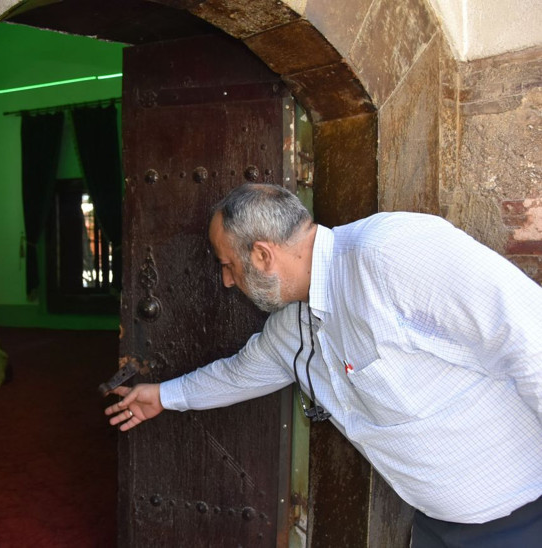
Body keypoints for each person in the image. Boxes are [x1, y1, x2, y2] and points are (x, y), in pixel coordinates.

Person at [104, 183, 542, 547]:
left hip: (522, 516)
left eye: (228, 265)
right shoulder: (292, 326)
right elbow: (238, 374)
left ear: (262, 255)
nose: (226, 280)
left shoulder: (390, 252)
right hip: (437, 523)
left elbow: (529, 339)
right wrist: (162, 396)